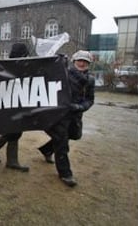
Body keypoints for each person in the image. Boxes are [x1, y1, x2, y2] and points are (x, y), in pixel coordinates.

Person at [38, 50, 95, 187]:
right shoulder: (64, 73)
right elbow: (48, 75)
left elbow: (89, 99)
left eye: (85, 61)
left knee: (74, 135)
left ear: (89, 64)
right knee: (62, 143)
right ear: (74, 61)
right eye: (79, 60)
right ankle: (65, 174)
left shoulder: (90, 80)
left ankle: (47, 150)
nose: (82, 63)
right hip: (60, 115)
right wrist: (56, 61)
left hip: (75, 114)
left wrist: (80, 107)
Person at [0, 43, 30, 172]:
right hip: (8, 102)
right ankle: (0, 150)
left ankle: (9, 158)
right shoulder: (6, 66)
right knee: (13, 130)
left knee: (17, 130)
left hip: (20, 101)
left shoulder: (26, 65)